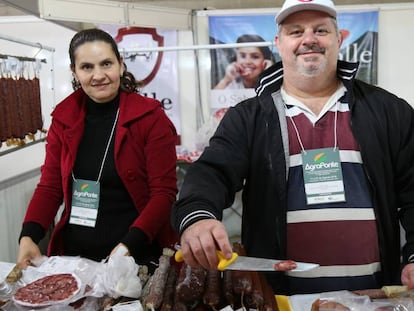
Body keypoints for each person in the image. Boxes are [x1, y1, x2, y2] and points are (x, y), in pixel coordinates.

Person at [172, 0, 414, 295]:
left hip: (373, 298)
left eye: (321, 30)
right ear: (278, 43)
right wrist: (198, 218)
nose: (308, 39)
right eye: (296, 31)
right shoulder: (250, 117)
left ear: (339, 39)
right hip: (281, 299)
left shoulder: (388, 111)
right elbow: (211, 172)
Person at [17, 28, 178, 268]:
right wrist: (29, 235)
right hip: (75, 256)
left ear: (121, 65)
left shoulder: (151, 118)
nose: (98, 75)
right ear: (74, 71)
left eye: (106, 64)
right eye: (87, 67)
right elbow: (50, 187)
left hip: (135, 254)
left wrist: (128, 246)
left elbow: (163, 194)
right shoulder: (63, 119)